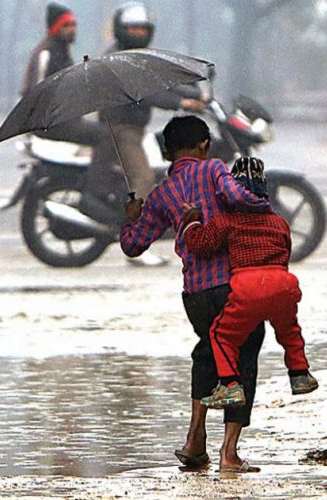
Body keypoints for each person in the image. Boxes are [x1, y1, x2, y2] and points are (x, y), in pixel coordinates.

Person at [120, 116, 269, 473]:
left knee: (207, 352)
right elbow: (237, 196)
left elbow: (133, 245)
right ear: (204, 146)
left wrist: (130, 216)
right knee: (243, 354)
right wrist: (262, 204)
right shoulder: (214, 169)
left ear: (169, 152)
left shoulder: (162, 194)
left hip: (196, 295)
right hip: (234, 287)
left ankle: (194, 439)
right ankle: (229, 453)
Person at [179, 157, 319, 409]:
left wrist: (191, 221)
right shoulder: (279, 223)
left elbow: (201, 244)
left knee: (221, 335)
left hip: (247, 284)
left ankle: (230, 385)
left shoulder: (228, 222)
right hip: (283, 282)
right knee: (289, 330)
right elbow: (286, 251)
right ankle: (299, 373)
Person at [81, 2, 206, 225]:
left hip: (136, 128)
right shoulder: (118, 60)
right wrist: (182, 102)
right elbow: (145, 93)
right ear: (121, 29)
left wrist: (194, 90)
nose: (138, 33)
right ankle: (136, 233)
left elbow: (161, 81)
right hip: (122, 129)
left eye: (142, 28)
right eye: (132, 28)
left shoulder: (137, 57)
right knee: (143, 177)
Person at [21, 2, 102, 146]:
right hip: (49, 125)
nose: (71, 29)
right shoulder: (46, 54)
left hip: (65, 120)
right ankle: (99, 169)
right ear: (55, 28)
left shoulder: (63, 52)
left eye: (73, 25)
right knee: (106, 135)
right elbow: (36, 93)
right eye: (66, 26)